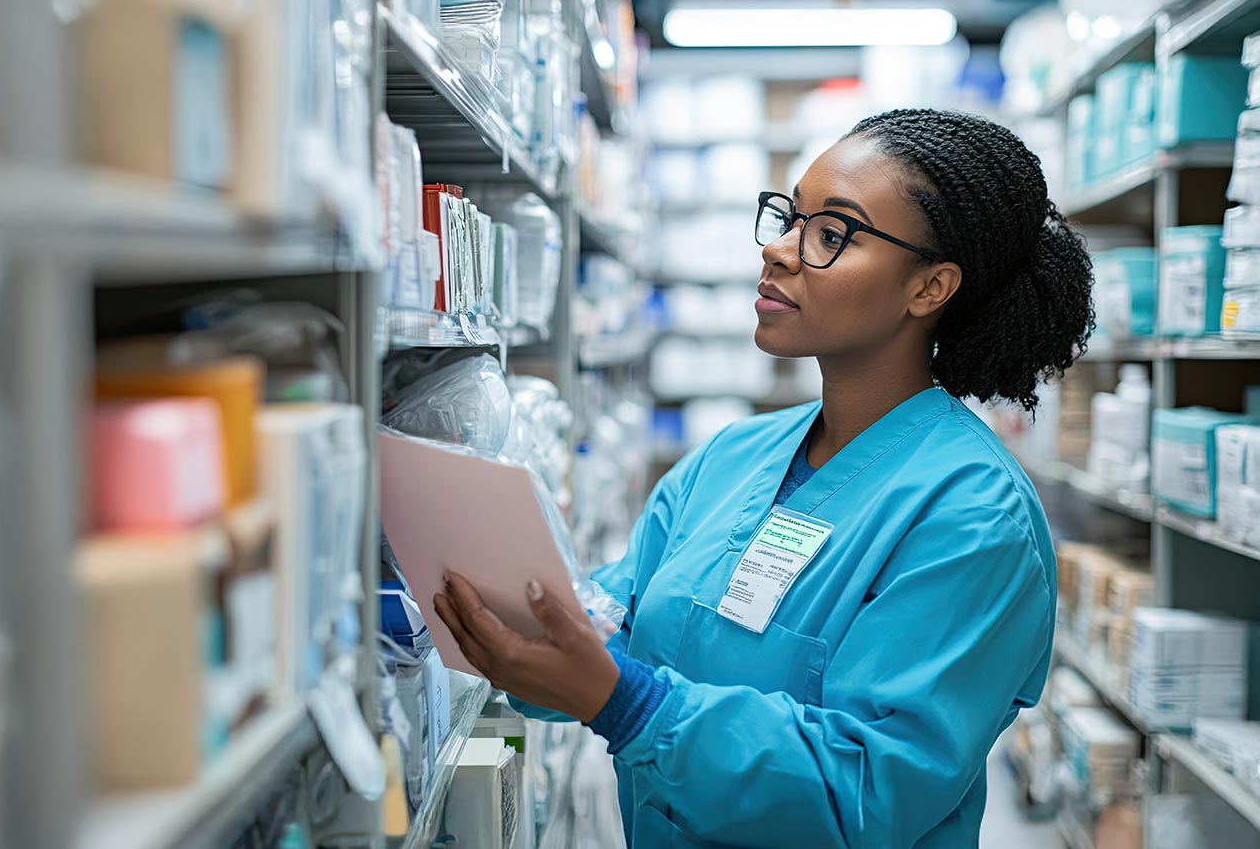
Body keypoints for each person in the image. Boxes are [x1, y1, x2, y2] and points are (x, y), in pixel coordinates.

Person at [434, 108, 1095, 848]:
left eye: (830, 234)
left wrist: (625, 705)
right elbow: (609, 620)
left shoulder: (974, 515)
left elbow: (871, 786)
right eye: (789, 217)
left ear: (929, 287)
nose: (779, 252)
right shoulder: (732, 459)